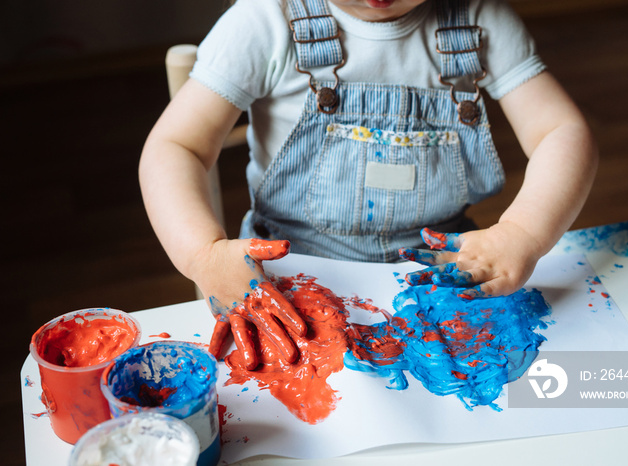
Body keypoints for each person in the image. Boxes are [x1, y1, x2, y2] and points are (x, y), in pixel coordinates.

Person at [138, 0, 598, 368]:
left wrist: (523, 233)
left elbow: (561, 132)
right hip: (284, 282)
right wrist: (201, 253)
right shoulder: (262, 21)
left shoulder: (479, 21)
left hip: (437, 276)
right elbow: (176, 146)